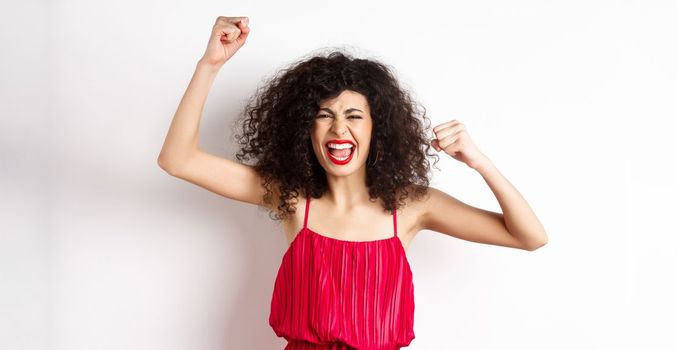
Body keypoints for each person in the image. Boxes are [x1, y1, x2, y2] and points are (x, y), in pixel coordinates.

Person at [157, 15, 549, 350]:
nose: (338, 128)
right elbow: (178, 159)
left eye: (354, 116)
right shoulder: (293, 199)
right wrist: (209, 64)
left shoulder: (414, 206)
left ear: (378, 128)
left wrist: (481, 163)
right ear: (305, 128)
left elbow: (530, 236)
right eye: (325, 115)